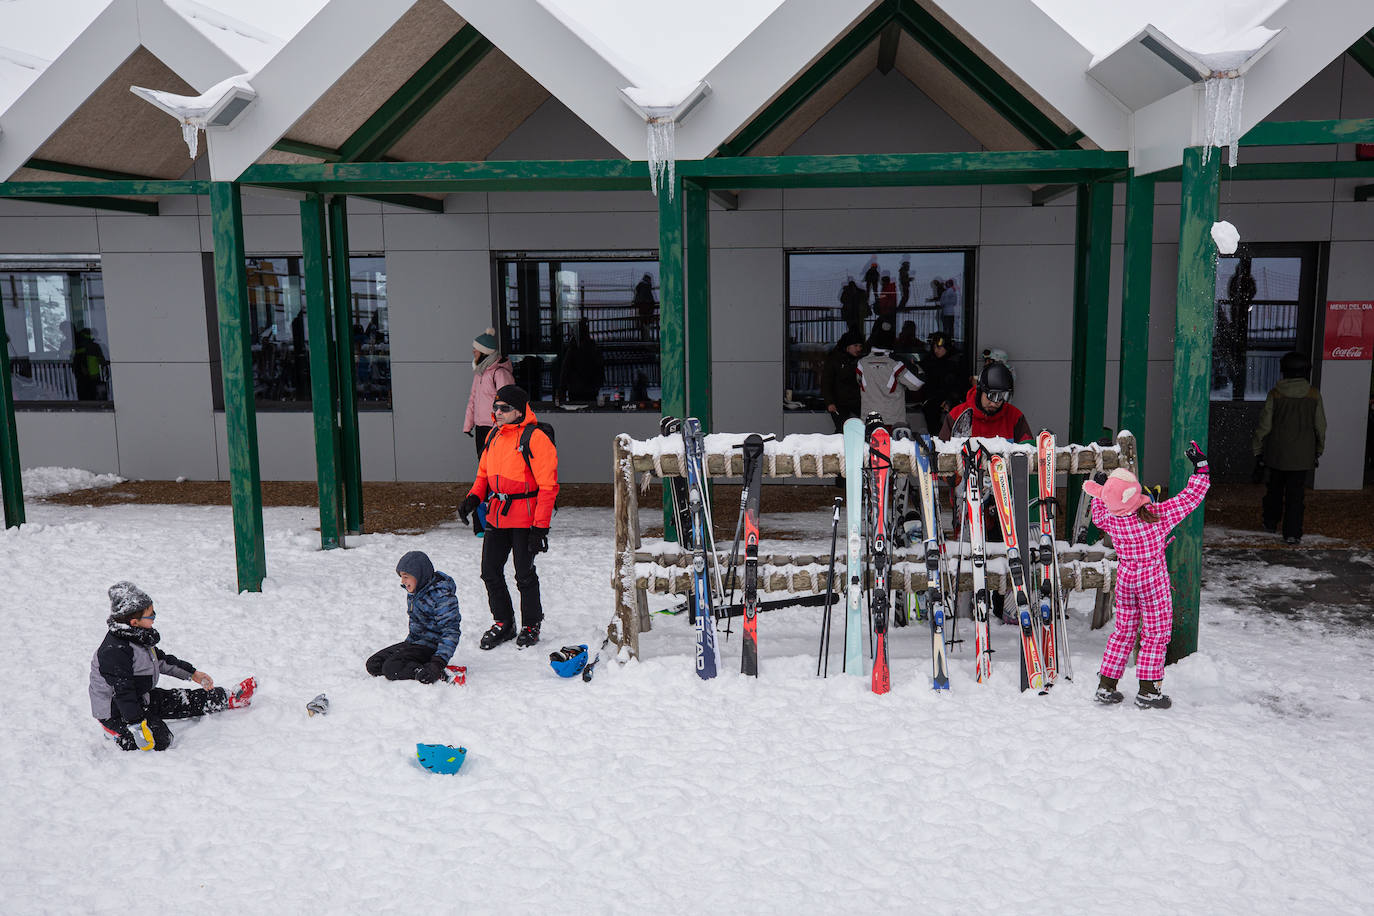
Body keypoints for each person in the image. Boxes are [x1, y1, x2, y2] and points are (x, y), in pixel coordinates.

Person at [1087, 443, 1211, 709]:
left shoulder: (1111, 518)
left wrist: (1099, 490)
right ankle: (1148, 690)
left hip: (1126, 579)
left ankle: (1106, 686)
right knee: (1155, 634)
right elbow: (1191, 497)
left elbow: (1097, 513)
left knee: (1123, 632)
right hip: (1152, 580)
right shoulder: (1157, 515)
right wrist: (1201, 468)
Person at [89, 582, 255, 751]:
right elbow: (123, 693)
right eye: (151, 615)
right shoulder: (114, 652)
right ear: (135, 622)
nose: (154, 617)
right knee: (160, 739)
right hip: (117, 711)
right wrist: (136, 726)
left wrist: (193, 674)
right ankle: (116, 735)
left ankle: (227, 698)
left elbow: (160, 660)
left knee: (179, 699)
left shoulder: (137, 637)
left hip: (140, 697)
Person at [459, 384, 558, 650]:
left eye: (505, 408)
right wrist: (473, 498)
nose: (498, 412)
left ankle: (531, 624)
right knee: (489, 571)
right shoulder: (494, 436)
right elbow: (483, 476)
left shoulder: (535, 438)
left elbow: (548, 487)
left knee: (524, 574)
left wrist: (540, 529)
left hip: (526, 518)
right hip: (498, 516)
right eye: (496, 407)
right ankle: (504, 622)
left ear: (519, 411)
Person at [1252, 351, 1325, 544]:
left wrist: (1257, 448)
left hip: (1276, 453)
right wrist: (1318, 449)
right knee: (1296, 495)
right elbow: (1320, 426)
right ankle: (1292, 533)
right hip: (1302, 456)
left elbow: (1265, 425)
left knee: (1274, 489)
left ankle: (1270, 522)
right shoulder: (1313, 394)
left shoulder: (1275, 394)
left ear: (1284, 371)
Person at [365, 551, 463, 683]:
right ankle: (414, 665)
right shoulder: (416, 591)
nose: (403, 581)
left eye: (406, 576)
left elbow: (451, 632)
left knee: (391, 668)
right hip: (414, 643)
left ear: (419, 575)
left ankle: (433, 673)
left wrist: (438, 662)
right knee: (374, 664)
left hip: (432, 648)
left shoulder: (442, 596)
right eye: (401, 577)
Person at [463, 327, 516, 535]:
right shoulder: (480, 373)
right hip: (482, 429)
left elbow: (509, 403)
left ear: (485, 352)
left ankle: (492, 520)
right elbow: (473, 400)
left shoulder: (500, 373)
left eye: (476, 351)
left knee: (495, 475)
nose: (473, 354)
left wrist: (504, 429)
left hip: (497, 431)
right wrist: (468, 424)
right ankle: (483, 522)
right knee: (483, 475)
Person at [940, 360, 1030, 443]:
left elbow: (1028, 453)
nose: (994, 403)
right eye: (991, 396)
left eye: (1001, 397)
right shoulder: (957, 416)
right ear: (980, 391)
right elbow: (943, 455)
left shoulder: (1015, 417)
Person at [857, 318, 924, 426]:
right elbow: (917, 384)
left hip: (867, 423)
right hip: (892, 424)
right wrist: (915, 366)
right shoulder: (897, 363)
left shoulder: (861, 364)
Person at [920, 332, 964, 435]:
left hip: (950, 402)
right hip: (933, 402)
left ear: (947, 348)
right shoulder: (930, 360)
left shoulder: (956, 362)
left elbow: (959, 385)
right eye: (934, 348)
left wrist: (950, 401)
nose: (936, 351)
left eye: (939, 348)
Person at [820, 331, 863, 433]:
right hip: (839, 404)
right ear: (847, 347)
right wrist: (829, 402)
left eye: (860, 346)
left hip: (857, 403)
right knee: (842, 430)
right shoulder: (834, 360)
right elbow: (826, 383)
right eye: (855, 345)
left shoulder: (861, 361)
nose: (858, 349)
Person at [557, 318, 604, 402]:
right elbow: (599, 367)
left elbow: (565, 369)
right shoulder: (593, 347)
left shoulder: (573, 349)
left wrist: (562, 388)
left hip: (576, 388)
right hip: (591, 388)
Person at [634, 273, 657, 341]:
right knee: (646, 325)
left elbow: (639, 299)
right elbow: (648, 299)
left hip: (642, 310)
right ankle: (646, 340)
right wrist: (652, 305)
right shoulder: (645, 287)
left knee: (643, 325)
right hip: (647, 310)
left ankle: (644, 339)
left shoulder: (641, 287)